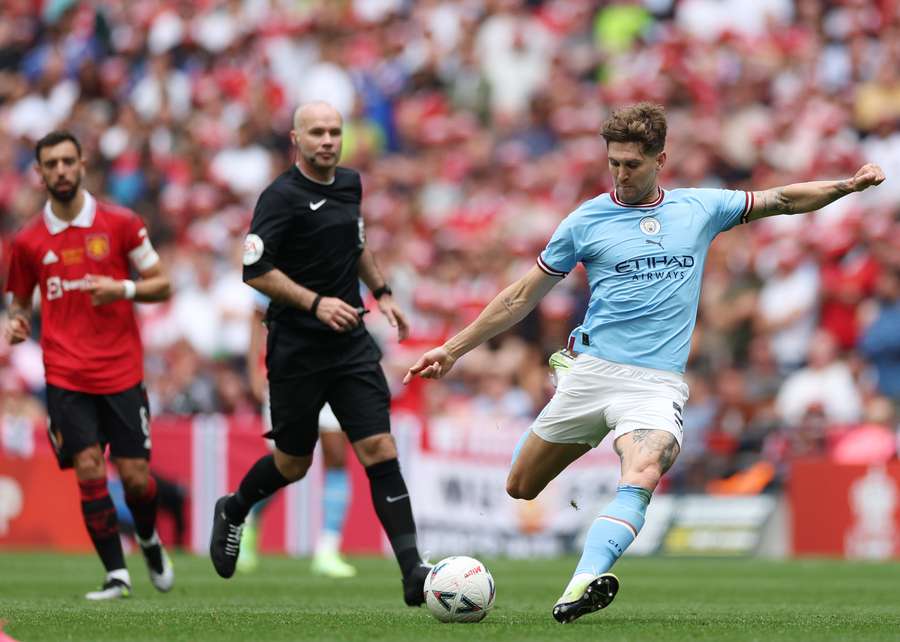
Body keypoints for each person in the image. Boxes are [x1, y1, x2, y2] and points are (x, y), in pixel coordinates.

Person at [404, 102, 886, 623]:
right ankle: (567, 386)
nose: (621, 173)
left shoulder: (699, 207)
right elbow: (522, 296)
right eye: (613, 162)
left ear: (661, 159)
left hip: (654, 384)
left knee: (646, 467)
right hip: (591, 374)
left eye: (632, 163)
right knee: (520, 485)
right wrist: (451, 349)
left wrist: (846, 186)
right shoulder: (585, 221)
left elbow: (783, 199)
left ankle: (581, 583)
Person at [209, 101, 430, 605]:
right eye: (318, 133)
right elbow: (255, 271)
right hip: (296, 349)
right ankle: (235, 508)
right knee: (292, 463)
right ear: (296, 139)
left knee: (378, 448)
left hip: (351, 343)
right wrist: (314, 302)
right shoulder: (279, 198)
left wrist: (384, 293)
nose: (328, 140)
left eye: (335, 131)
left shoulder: (350, 184)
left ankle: (413, 570)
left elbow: (356, 246)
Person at [3, 130, 174, 600]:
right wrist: (18, 322)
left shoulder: (121, 223)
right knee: (88, 466)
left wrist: (123, 289)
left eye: (67, 162)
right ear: (39, 174)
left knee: (137, 477)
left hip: (121, 371)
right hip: (64, 373)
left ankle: (149, 538)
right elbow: (18, 301)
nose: (60, 171)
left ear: (82, 165)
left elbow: (162, 283)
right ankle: (116, 573)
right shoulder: (29, 241)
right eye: (50, 164)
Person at [238, 290, 356, 578]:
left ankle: (328, 549)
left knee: (337, 455)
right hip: (288, 373)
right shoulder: (284, 260)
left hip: (333, 371)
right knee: (284, 466)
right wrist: (254, 369)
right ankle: (247, 521)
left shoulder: (343, 257)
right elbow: (256, 318)